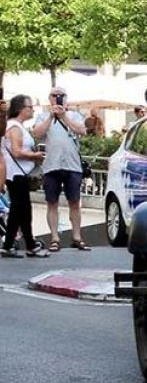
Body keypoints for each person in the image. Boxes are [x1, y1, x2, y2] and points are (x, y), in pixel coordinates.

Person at [33, 87, 89, 252]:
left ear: (66, 98)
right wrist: (52, 115)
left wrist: (64, 115)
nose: (58, 98)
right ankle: (55, 238)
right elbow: (37, 133)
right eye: (54, 95)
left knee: (74, 203)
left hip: (72, 165)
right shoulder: (43, 116)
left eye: (61, 95)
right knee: (52, 203)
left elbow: (82, 131)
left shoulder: (75, 115)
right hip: (52, 165)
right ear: (49, 98)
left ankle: (77, 237)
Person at [2, 96, 48, 258]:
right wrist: (35, 155)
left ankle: (13, 244)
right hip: (16, 174)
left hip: (16, 173)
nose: (32, 110)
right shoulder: (14, 127)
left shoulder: (17, 126)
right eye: (30, 107)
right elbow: (16, 151)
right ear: (21, 108)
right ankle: (28, 244)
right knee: (22, 210)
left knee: (18, 210)